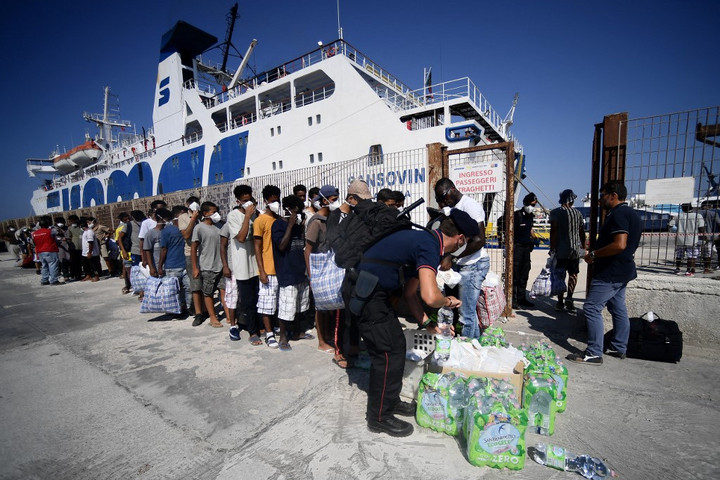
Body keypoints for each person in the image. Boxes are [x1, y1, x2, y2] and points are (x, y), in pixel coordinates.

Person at [343, 209, 472, 437]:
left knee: (396, 347)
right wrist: (448, 301)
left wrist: (426, 324)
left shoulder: (426, 241)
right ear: (460, 239)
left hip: (375, 293)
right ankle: (379, 417)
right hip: (367, 293)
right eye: (467, 241)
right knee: (386, 353)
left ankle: (390, 401)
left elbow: (411, 294)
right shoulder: (429, 246)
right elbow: (431, 297)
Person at [567, 181, 641, 365]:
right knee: (618, 308)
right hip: (623, 270)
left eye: (602, 195)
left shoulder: (619, 214)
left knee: (591, 308)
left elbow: (620, 244)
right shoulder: (632, 214)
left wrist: (594, 254)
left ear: (613, 195)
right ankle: (618, 346)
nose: (599, 200)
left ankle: (593, 353)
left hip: (610, 271)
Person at [433, 178, 490, 339]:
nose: (442, 202)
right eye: (439, 200)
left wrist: (451, 256)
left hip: (473, 265)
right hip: (461, 265)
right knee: (459, 310)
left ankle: (469, 352)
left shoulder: (470, 206)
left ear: (452, 189)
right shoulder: (452, 208)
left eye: (443, 197)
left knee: (466, 314)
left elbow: (479, 240)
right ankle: (472, 345)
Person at [271, 195, 312, 351]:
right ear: (288, 209)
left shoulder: (298, 225)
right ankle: (282, 337)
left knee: (300, 306)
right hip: (287, 272)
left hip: (300, 271)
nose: (298, 212)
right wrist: (289, 225)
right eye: (295, 210)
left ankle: (296, 332)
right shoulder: (278, 225)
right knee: (286, 307)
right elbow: (281, 246)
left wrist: (299, 226)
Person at [225, 185, 261, 345]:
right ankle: (252, 332)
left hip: (256, 264)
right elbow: (240, 237)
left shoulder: (256, 215)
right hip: (243, 267)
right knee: (248, 302)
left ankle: (260, 327)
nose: (248, 203)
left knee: (259, 299)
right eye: (245, 201)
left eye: (250, 200)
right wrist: (247, 217)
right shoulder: (233, 216)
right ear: (238, 201)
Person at [305, 184, 339, 353]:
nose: (336, 203)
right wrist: (311, 275)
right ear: (324, 200)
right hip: (318, 269)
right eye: (333, 200)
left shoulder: (332, 219)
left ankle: (328, 335)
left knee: (330, 305)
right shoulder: (316, 222)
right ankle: (321, 341)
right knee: (321, 307)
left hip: (329, 267)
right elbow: (308, 250)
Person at [549, 189, 586, 313]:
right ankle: (569, 298)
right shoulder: (578, 213)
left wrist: (552, 248)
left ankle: (560, 301)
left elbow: (553, 231)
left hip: (560, 250)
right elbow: (582, 232)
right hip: (575, 250)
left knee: (560, 275)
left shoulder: (555, 213)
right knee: (573, 274)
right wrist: (583, 246)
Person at [254, 185, 282, 348]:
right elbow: (257, 247)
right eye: (273, 201)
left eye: (277, 200)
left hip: (280, 268)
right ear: (265, 201)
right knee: (266, 303)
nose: (276, 203)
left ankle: (277, 327)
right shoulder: (260, 221)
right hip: (268, 269)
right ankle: (269, 333)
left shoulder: (279, 219)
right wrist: (262, 271)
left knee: (279, 302)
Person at [190, 201, 226, 328]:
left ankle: (227, 314)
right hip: (207, 266)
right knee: (208, 292)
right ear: (205, 214)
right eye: (213, 212)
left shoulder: (220, 226)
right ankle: (212, 317)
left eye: (217, 211)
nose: (216, 214)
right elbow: (194, 248)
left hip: (221, 265)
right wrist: (195, 268)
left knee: (224, 290)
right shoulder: (199, 228)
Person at [157, 207, 191, 318]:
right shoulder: (167, 230)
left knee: (188, 288)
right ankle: (178, 309)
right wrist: (160, 266)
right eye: (183, 214)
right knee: (175, 290)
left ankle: (188, 308)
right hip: (172, 266)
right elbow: (164, 249)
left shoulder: (188, 228)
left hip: (186, 264)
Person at [178, 196, 204, 317]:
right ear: (187, 205)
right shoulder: (183, 218)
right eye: (192, 203)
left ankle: (205, 309)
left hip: (205, 253)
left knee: (205, 283)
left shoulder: (203, 216)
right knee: (195, 284)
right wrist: (193, 218)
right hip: (191, 254)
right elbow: (186, 235)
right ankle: (198, 312)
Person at [513, 193, 538, 309]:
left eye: (534, 205)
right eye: (530, 204)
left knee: (524, 274)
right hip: (517, 248)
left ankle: (521, 298)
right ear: (525, 203)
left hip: (526, 248)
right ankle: (512, 300)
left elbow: (530, 229)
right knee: (515, 275)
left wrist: (535, 238)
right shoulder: (516, 215)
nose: (532, 207)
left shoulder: (530, 216)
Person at [670, 203, 705, 276]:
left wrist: (675, 230)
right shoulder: (698, 216)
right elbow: (701, 228)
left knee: (679, 255)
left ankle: (677, 269)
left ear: (682, 208)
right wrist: (704, 236)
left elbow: (670, 225)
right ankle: (688, 270)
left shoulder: (678, 216)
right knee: (691, 256)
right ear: (691, 208)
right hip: (692, 240)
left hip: (680, 239)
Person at [32, 216, 63, 286]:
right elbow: (59, 235)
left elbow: (33, 242)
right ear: (48, 224)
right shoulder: (50, 231)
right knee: (53, 265)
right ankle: (54, 280)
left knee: (44, 265)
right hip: (50, 250)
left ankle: (44, 280)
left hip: (40, 251)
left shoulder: (34, 233)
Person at [700, 201, 720, 272]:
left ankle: (704, 265)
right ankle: (707, 267)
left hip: (700, 236)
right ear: (709, 206)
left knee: (703, 251)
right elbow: (718, 223)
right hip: (714, 235)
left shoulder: (697, 213)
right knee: (716, 250)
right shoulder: (714, 213)